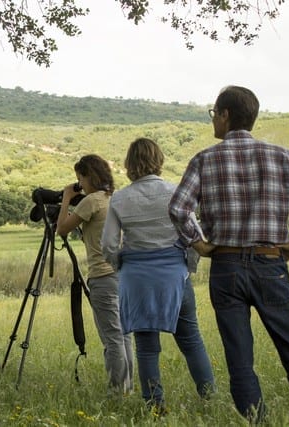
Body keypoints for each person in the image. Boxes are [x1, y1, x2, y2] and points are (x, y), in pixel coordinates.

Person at [168, 86, 289, 422]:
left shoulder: (204, 159)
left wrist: (198, 242)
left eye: (214, 113)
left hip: (225, 266)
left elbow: (179, 208)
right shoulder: (281, 156)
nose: (213, 120)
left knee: (239, 357)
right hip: (270, 262)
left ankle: (254, 420)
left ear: (226, 115)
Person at [101, 138, 215, 414]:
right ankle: (210, 399)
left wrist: (123, 265)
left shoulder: (119, 199)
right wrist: (186, 268)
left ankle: (156, 407)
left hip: (137, 280)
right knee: (190, 340)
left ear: (129, 164)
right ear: (159, 160)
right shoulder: (175, 193)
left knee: (146, 347)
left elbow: (108, 245)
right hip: (174, 276)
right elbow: (194, 237)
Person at [56, 154, 134, 396]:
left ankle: (116, 392)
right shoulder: (117, 198)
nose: (80, 183)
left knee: (112, 338)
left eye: (80, 179)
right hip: (124, 274)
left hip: (102, 275)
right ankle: (127, 388)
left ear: (88, 176)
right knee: (125, 335)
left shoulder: (91, 201)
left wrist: (67, 197)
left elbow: (61, 230)